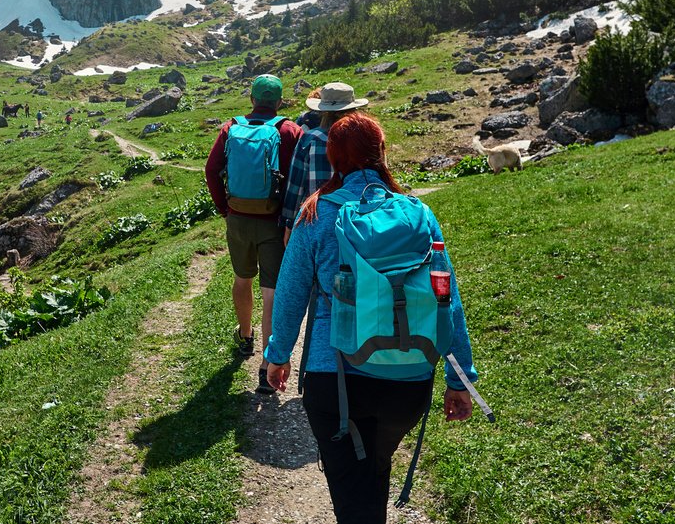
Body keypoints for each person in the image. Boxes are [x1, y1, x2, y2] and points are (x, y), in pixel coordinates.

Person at [265, 111, 478, 524]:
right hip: (409, 377)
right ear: (381, 152)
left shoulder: (317, 213)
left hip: (337, 377)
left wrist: (277, 355)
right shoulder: (418, 213)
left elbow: (291, 293)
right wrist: (459, 379)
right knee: (375, 471)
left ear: (334, 159)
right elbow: (446, 298)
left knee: (351, 495)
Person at [204, 74, 303, 393]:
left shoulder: (230, 127)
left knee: (242, 277)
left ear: (252, 99)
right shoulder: (288, 130)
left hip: (238, 218)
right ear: (278, 101)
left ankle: (245, 337)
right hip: (273, 221)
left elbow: (211, 170)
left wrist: (225, 208)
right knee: (271, 291)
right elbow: (296, 178)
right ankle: (266, 365)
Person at [280, 82, 369, 247]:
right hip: (361, 219)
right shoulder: (366, 138)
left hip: (318, 219)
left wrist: (289, 223)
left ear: (323, 111)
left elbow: (295, 186)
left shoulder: (310, 139)